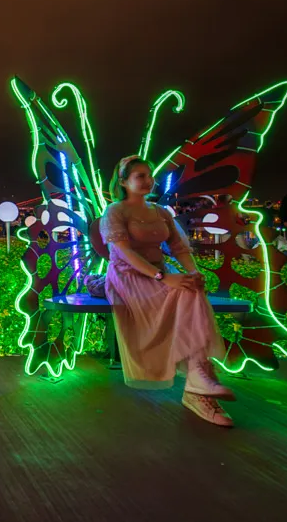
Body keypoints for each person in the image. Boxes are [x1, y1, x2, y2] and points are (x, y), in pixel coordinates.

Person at [100, 155, 235, 427]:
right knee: (182, 291)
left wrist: (193, 272)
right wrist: (163, 277)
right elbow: (124, 253)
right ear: (123, 182)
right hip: (129, 276)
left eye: (150, 175)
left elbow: (179, 248)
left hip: (160, 273)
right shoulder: (116, 211)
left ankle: (198, 379)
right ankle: (199, 381)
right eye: (140, 176)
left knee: (191, 288)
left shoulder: (160, 212)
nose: (148, 181)